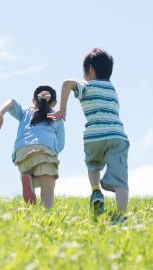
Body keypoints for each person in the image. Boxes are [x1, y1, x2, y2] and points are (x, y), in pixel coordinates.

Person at [49, 48, 129, 219]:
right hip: (117, 136)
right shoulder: (112, 89)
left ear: (90, 69)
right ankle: (122, 215)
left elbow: (67, 83)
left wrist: (62, 109)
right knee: (121, 180)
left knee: (93, 165)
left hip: (94, 137)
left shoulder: (87, 86)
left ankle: (96, 191)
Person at [0, 85, 65, 209]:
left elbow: (11, 101)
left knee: (32, 175)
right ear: (55, 103)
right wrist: (54, 155)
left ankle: (29, 180)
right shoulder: (56, 117)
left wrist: (0, 113)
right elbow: (60, 144)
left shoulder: (26, 112)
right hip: (44, 149)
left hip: (22, 152)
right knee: (47, 193)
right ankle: (45, 220)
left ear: (34, 101)